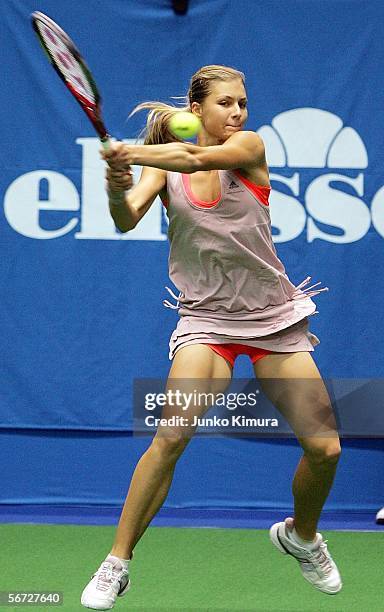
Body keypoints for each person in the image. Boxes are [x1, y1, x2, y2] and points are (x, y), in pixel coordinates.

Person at [81, 65, 342, 610]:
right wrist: (114, 187)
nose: (238, 113)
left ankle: (302, 535)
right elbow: (127, 219)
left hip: (273, 318)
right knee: (172, 436)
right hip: (205, 321)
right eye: (225, 104)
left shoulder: (248, 147)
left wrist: (130, 153)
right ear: (196, 110)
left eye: (242, 102)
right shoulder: (166, 168)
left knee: (325, 448)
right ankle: (116, 562)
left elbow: (195, 157)